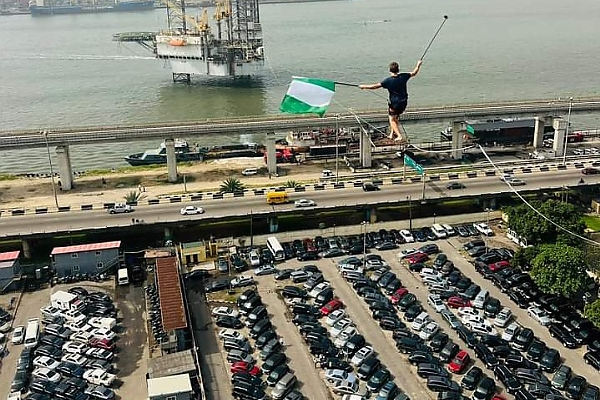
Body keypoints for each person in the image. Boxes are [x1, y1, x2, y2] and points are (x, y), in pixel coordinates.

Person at [359, 60, 423, 144]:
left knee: (392, 120)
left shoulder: (388, 81)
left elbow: (374, 86)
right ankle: (392, 134)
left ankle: (399, 136)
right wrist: (418, 65)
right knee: (395, 118)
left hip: (395, 104)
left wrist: (363, 86)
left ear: (390, 70)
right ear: (398, 69)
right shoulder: (404, 76)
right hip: (404, 102)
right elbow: (414, 73)